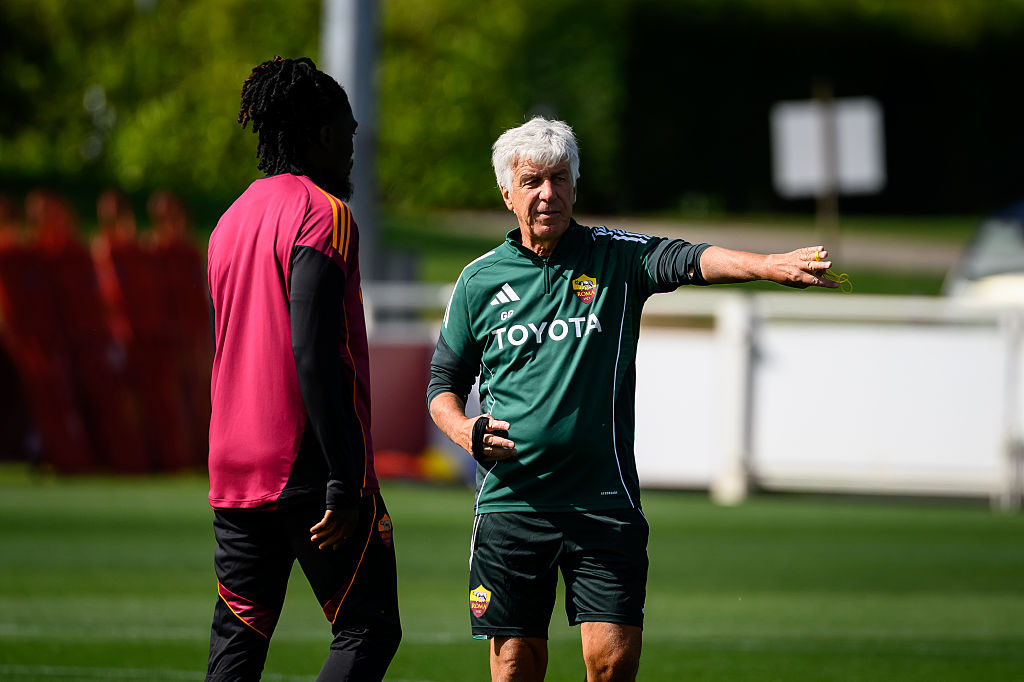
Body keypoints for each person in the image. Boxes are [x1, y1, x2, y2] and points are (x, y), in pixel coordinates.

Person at [426, 116, 838, 682]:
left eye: (560, 178)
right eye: (532, 182)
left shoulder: (615, 258)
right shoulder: (477, 282)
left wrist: (765, 265)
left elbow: (690, 258)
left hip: (602, 500)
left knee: (613, 664)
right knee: (517, 665)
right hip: (511, 504)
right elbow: (441, 386)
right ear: (507, 193)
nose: (549, 193)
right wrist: (463, 430)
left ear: (575, 183)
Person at [205, 56, 400, 681]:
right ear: (320, 134)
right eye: (347, 135)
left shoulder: (228, 222)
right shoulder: (325, 214)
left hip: (234, 469)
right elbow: (315, 352)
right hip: (308, 466)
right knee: (368, 627)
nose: (351, 152)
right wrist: (345, 479)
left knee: (238, 642)